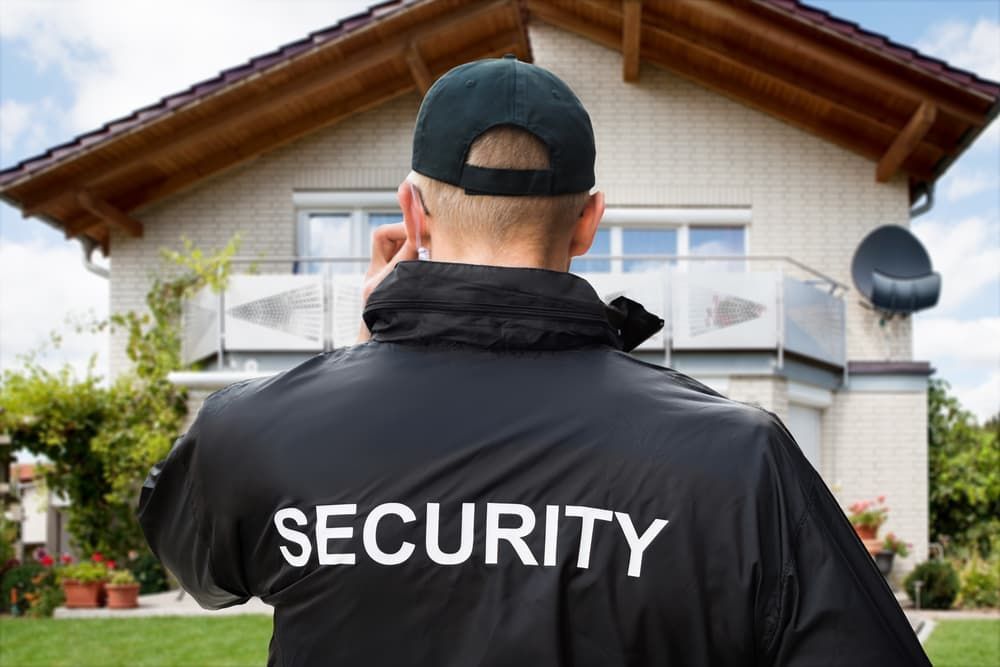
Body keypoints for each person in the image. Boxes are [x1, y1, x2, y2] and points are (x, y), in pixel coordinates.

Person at [137, 56, 931, 667]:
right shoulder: (741, 458)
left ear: (413, 210)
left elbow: (196, 564)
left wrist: (370, 351)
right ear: (589, 221)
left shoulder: (257, 430)